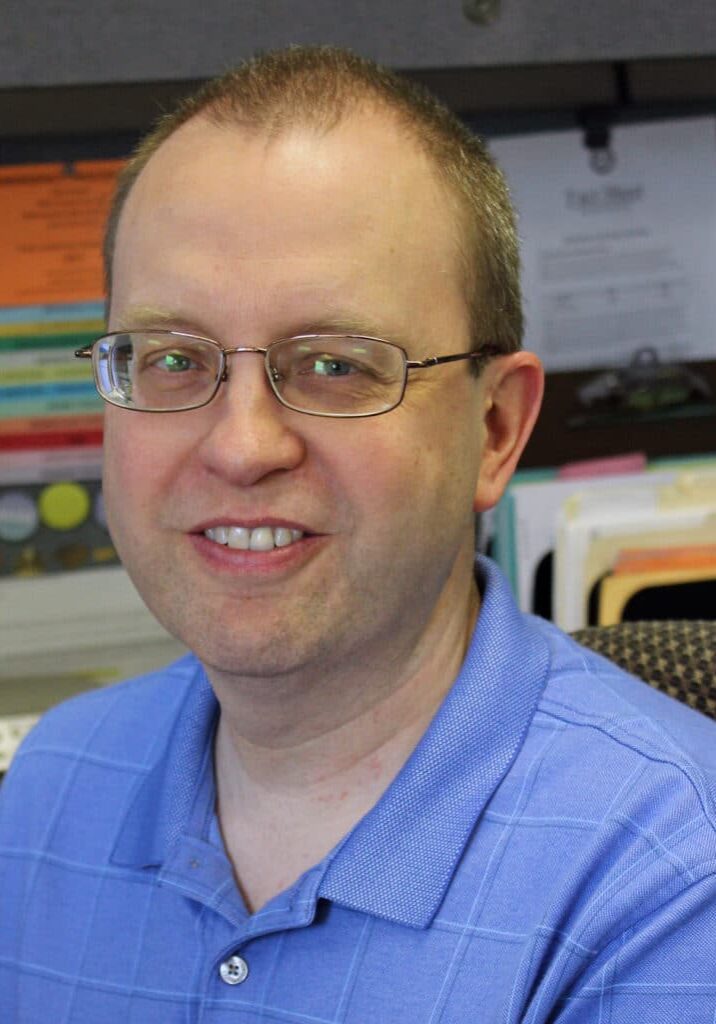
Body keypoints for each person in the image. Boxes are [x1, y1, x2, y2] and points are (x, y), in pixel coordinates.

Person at [1, 46, 715, 1024]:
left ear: (494, 430)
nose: (244, 446)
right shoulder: (49, 787)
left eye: (334, 365)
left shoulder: (668, 877)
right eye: (171, 357)